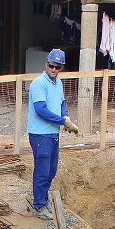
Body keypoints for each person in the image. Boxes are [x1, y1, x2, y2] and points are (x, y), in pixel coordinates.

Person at [27, 48, 79, 219]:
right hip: (40, 134)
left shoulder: (58, 83)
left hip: (52, 133)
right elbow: (40, 109)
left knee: (51, 170)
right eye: (51, 66)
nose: (54, 69)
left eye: (57, 67)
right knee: (42, 170)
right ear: (46, 64)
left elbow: (62, 103)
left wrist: (66, 116)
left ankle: (43, 198)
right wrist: (63, 121)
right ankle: (39, 205)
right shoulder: (38, 83)